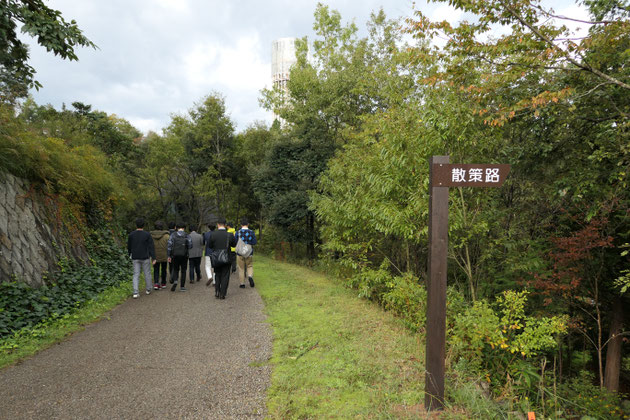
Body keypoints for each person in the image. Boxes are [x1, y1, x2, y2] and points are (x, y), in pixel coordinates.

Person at [127, 218, 156, 299]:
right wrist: (153, 257)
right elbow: (151, 247)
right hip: (145, 256)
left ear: (136, 225)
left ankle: (135, 292)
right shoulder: (147, 234)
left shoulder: (131, 235)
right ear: (143, 225)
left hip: (135, 256)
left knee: (136, 274)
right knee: (147, 273)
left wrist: (130, 254)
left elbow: (129, 246)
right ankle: (148, 289)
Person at [208, 218, 236, 299]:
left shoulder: (213, 234)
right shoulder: (229, 235)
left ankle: (217, 291)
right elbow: (234, 245)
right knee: (225, 275)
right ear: (225, 225)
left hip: (216, 257)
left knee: (217, 274)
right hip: (226, 257)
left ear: (218, 224)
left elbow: (210, 246)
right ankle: (223, 293)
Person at [167, 222, 192, 292]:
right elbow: (190, 245)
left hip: (175, 255)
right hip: (184, 255)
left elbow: (169, 246)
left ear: (176, 228)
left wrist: (169, 255)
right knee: (183, 270)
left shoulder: (173, 235)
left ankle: (175, 280)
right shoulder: (187, 235)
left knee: (175, 269)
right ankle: (182, 286)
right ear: (184, 228)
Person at [235, 217, 257, 288]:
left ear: (241, 225)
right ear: (248, 224)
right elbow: (254, 242)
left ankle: (242, 284)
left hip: (240, 253)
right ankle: (250, 276)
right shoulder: (251, 232)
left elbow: (235, 242)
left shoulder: (238, 232)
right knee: (249, 266)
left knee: (241, 268)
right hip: (249, 252)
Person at [150, 220, 170, 289]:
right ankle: (163, 283)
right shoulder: (167, 236)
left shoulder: (151, 236)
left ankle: (156, 283)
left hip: (155, 255)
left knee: (156, 269)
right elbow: (169, 246)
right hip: (164, 255)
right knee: (164, 269)